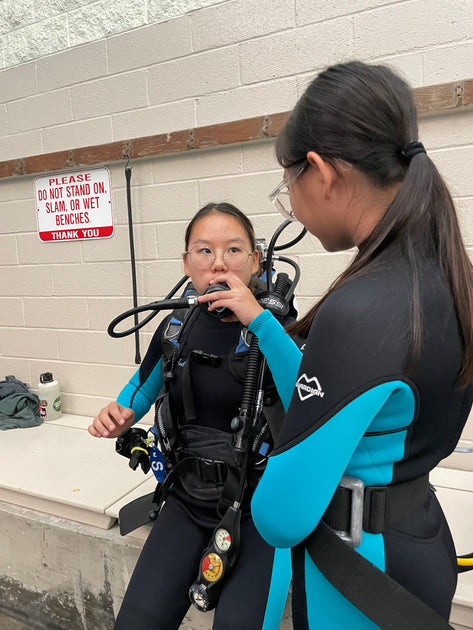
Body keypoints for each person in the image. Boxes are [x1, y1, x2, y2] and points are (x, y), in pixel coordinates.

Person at [202, 61, 473, 629]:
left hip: (359, 577)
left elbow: (282, 516)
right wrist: (264, 323)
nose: (291, 204)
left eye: (288, 184)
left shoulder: (362, 308)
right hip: (415, 538)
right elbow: (349, 400)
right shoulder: (442, 276)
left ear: (321, 172)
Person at [88, 202, 301, 630]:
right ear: (187, 263)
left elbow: (306, 399)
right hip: (187, 499)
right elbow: (140, 391)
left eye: (234, 250)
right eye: (204, 251)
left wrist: (259, 320)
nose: (218, 263)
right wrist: (118, 414)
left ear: (256, 259)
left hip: (259, 510)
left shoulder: (281, 326)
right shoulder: (176, 326)